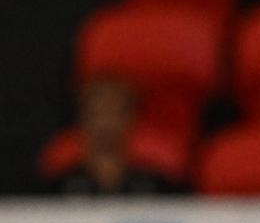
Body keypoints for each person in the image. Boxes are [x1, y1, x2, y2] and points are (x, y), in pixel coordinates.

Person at [41, 76, 183, 196]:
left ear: (132, 119)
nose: (105, 124)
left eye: (114, 114)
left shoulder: (154, 183)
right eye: (96, 115)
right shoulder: (60, 184)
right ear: (81, 120)